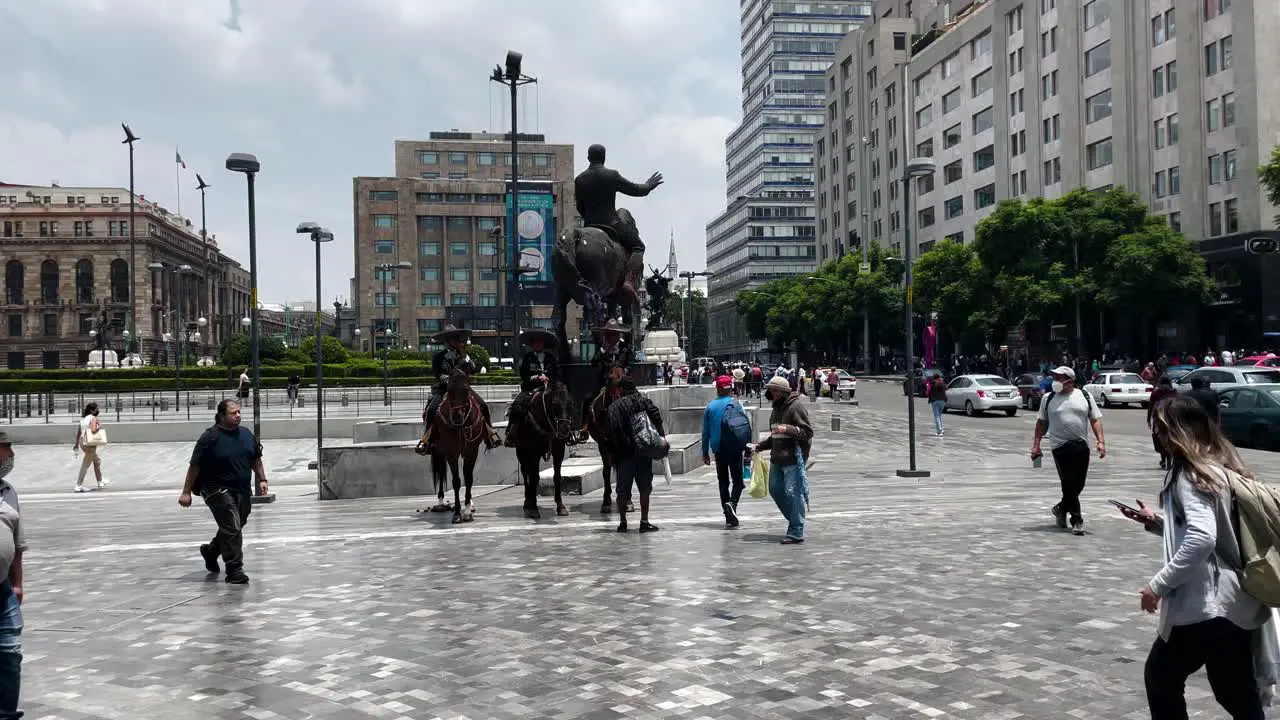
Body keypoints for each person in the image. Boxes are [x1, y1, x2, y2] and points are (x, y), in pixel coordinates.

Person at [1120, 395, 1273, 718]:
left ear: (1178, 431)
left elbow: (1203, 538)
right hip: (1233, 602)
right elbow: (1213, 531)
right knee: (1236, 692)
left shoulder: (1191, 473)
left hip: (1205, 606)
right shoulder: (1214, 467)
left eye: (1161, 429)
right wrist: (1159, 523)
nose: (1156, 435)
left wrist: (1157, 585)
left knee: (1161, 676)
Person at [178, 400, 269, 584]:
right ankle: (234, 570)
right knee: (232, 525)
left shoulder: (245, 434)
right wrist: (186, 492)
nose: (238, 416)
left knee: (236, 524)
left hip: (242, 489)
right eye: (233, 413)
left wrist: (262, 479)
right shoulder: (210, 438)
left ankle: (211, 551)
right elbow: (194, 466)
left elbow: (255, 459)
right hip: (215, 489)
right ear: (221, 416)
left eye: (239, 412)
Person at [574, 143, 663, 304]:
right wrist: (649, 185)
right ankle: (629, 281)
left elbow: (580, 207)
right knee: (638, 247)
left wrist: (589, 220)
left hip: (588, 225)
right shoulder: (611, 175)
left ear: (588, 157)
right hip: (611, 223)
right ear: (604, 157)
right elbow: (636, 190)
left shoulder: (579, 179)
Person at [1031, 366, 1105, 536]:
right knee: (1069, 481)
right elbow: (1041, 423)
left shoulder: (1084, 396)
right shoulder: (1048, 398)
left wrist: (1101, 442)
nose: (1054, 381)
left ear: (1069, 381)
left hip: (1081, 445)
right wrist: (1036, 445)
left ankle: (1061, 508)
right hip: (1059, 446)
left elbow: (1095, 420)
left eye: (1058, 377)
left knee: (1079, 484)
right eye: (1054, 377)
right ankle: (1077, 520)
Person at [422, 325, 500, 452]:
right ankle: (428, 440)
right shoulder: (439, 356)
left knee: (484, 406)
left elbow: (473, 369)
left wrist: (465, 356)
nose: (456, 341)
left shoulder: (464, 355)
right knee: (431, 409)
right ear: (447, 341)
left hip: (463, 389)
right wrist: (450, 380)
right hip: (445, 389)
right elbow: (437, 373)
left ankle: (490, 435)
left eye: (457, 339)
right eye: (452, 339)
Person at [755, 376, 813, 544]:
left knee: (793, 493)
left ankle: (796, 530)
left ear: (783, 392)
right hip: (777, 458)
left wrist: (788, 428)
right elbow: (775, 437)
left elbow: (807, 433)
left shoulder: (795, 407)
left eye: (775, 390)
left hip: (793, 458)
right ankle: (796, 520)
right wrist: (759, 446)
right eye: (770, 390)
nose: (771, 392)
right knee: (775, 489)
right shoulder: (776, 408)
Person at [605, 380, 665, 533]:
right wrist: (660, 437)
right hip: (644, 453)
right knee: (645, 489)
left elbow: (611, 431)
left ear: (621, 390)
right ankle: (644, 521)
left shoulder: (614, 407)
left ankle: (623, 522)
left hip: (624, 455)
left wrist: (613, 453)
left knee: (622, 490)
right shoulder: (644, 401)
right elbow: (657, 418)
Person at [0, 432, 26, 720]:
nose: (11, 455)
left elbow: (17, 545)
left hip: (3, 589)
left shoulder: (9, 491)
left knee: (9, 653)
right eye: (6, 448)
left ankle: (6, 713)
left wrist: (18, 583)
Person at [702, 376, 747, 528]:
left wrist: (704, 452)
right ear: (730, 388)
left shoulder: (710, 407)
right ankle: (732, 504)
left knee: (723, 482)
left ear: (718, 389)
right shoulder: (736, 403)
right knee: (738, 481)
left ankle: (728, 515)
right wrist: (747, 448)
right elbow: (743, 427)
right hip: (734, 447)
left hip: (718, 448)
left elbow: (705, 432)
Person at [505, 328, 561, 448]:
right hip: (531, 389)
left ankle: (568, 433)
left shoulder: (551, 358)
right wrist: (536, 377)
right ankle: (511, 433)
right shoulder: (527, 357)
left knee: (564, 403)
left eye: (540, 342)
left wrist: (550, 379)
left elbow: (557, 373)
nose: (538, 344)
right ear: (532, 344)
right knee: (518, 405)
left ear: (544, 343)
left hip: (550, 389)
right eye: (536, 342)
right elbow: (524, 375)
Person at [73, 402, 108, 492]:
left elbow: (78, 433)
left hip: (82, 442)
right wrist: (99, 426)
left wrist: (76, 444)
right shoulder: (93, 418)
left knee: (97, 460)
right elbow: (93, 430)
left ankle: (100, 481)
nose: (97, 411)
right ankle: (78, 485)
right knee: (85, 464)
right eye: (96, 409)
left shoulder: (83, 419)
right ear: (92, 411)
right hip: (89, 443)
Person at [1148, 376, 1178, 470]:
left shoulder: (1156, 393)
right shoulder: (1174, 392)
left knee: (1159, 439)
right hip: (1171, 420)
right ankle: (1169, 459)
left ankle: (1163, 459)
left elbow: (1151, 406)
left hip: (1158, 419)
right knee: (1170, 439)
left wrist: (1148, 419)